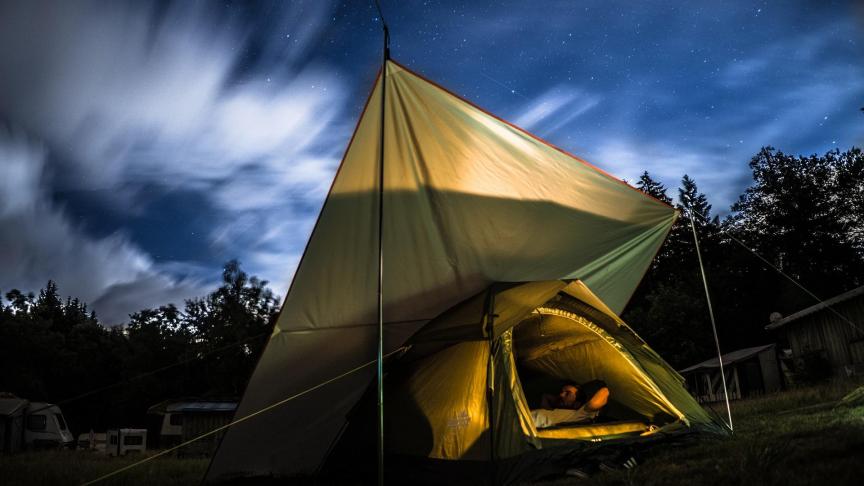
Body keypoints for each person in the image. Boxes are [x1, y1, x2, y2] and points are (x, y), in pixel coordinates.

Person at [531, 380, 610, 429]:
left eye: (567, 393)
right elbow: (545, 396)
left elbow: (594, 403)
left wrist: (603, 385)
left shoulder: (581, 414)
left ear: (577, 403)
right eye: (562, 391)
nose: (561, 394)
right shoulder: (556, 411)